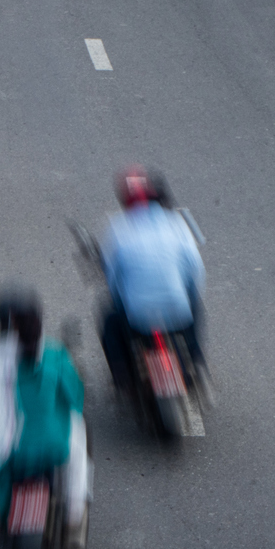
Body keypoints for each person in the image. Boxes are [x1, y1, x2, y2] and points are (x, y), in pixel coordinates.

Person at [0, 286, 88, 542]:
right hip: (54, 448)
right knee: (79, 441)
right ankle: (74, 513)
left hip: (7, 453)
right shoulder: (55, 354)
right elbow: (76, 399)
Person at [99, 166, 207, 394]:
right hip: (178, 311)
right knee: (195, 302)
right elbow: (195, 269)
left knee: (109, 320)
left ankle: (122, 377)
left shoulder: (119, 228)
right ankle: (197, 359)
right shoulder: (176, 224)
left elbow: (113, 277)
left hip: (138, 317)